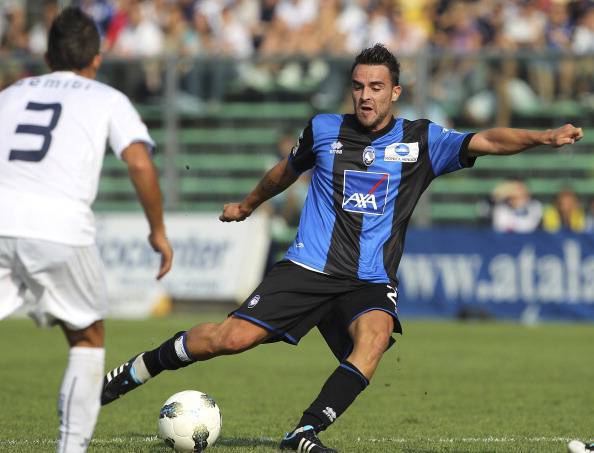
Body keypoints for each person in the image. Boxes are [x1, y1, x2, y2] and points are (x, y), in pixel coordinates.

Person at [101, 43, 583, 452]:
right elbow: (284, 172)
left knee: (374, 337)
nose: (365, 96)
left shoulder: (421, 140)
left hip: (368, 278)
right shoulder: (324, 129)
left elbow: (488, 140)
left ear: (395, 92)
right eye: (358, 86)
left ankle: (304, 432)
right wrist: (247, 205)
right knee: (229, 340)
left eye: (376, 87)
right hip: (308, 267)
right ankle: (137, 369)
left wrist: (542, 137)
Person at [0, 7, 173, 453]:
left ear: (46, 56)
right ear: (97, 58)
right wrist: (157, 231)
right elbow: (139, 163)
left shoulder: (11, 94)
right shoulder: (107, 98)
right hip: (60, 227)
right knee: (87, 339)